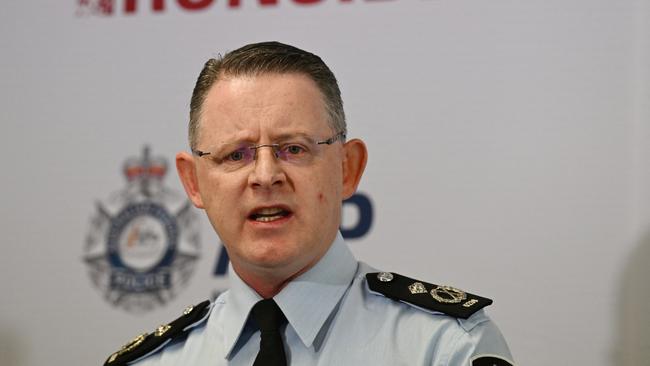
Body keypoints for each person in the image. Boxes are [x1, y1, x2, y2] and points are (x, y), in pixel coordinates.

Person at [104, 41, 514, 366]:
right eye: (236, 155)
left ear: (347, 168)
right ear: (193, 182)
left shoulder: (446, 349)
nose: (265, 176)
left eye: (294, 149)